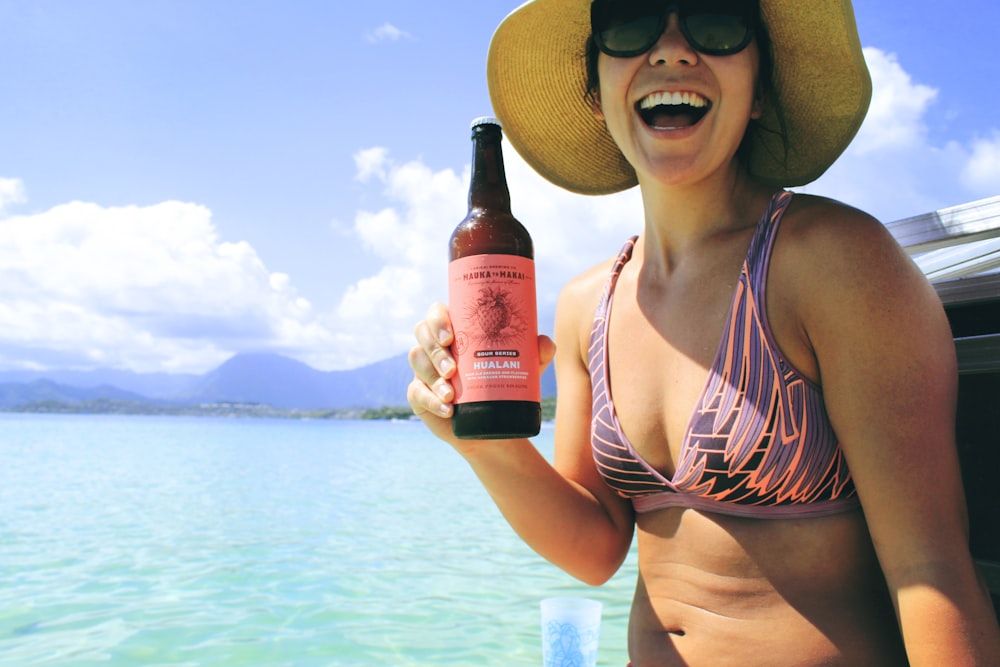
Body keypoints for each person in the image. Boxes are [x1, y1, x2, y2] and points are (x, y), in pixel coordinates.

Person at [407, 0, 1000, 664]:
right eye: (630, 22)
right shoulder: (585, 305)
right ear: (596, 94)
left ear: (759, 92)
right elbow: (597, 547)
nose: (670, 49)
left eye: (716, 21)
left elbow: (932, 570)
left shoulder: (835, 261)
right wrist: (479, 442)